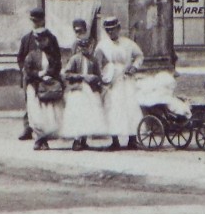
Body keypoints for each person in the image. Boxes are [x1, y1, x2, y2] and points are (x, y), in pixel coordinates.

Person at [95, 16, 144, 150]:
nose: (111, 33)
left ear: (119, 29)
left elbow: (140, 55)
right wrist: (102, 76)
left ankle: (132, 139)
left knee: (130, 106)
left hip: (126, 77)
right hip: (111, 79)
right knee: (113, 107)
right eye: (108, 30)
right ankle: (114, 140)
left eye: (113, 30)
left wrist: (134, 67)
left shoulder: (128, 43)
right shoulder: (102, 45)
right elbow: (97, 62)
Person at [16, 7, 61, 140]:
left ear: (43, 21)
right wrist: (24, 70)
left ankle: (46, 130)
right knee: (30, 102)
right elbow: (20, 58)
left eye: (38, 21)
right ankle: (28, 128)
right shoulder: (26, 39)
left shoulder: (51, 38)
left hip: (47, 77)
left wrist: (49, 74)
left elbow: (56, 59)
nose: (35, 23)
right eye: (33, 21)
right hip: (30, 77)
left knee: (46, 103)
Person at [60, 18, 104, 151]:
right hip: (78, 90)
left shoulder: (94, 60)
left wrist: (95, 79)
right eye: (82, 46)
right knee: (78, 114)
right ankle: (77, 140)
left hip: (90, 91)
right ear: (79, 47)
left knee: (88, 114)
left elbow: (98, 75)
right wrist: (82, 76)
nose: (85, 49)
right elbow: (67, 74)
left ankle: (84, 139)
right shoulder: (75, 59)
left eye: (88, 46)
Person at [23, 27, 65, 150]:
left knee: (48, 115)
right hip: (35, 87)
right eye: (38, 40)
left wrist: (50, 76)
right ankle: (39, 139)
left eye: (43, 40)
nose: (40, 43)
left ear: (48, 40)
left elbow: (57, 67)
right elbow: (28, 70)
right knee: (36, 115)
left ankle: (44, 139)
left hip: (48, 87)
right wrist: (38, 75)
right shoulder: (31, 55)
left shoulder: (53, 55)